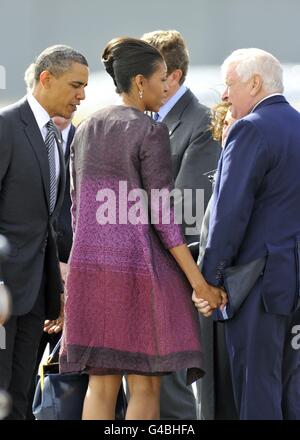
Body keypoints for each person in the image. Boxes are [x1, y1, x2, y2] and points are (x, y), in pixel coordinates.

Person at [59, 37, 226, 420]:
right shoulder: (150, 132)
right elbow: (164, 220)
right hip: (137, 276)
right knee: (145, 384)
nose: (165, 87)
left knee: (101, 385)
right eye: (161, 78)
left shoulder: (85, 128)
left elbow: (76, 210)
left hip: (90, 273)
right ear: (139, 81)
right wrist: (199, 284)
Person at [193, 48, 300, 420]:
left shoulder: (249, 128)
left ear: (255, 83)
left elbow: (228, 214)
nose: (224, 95)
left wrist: (207, 282)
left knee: (257, 389)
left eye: (229, 84)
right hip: (293, 281)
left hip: (258, 286)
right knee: (291, 390)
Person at [0, 45, 88, 419]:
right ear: (45, 79)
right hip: (4, 292)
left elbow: (47, 221)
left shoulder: (54, 136)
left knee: (20, 397)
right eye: (75, 85)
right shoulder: (6, 126)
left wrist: (57, 287)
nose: (82, 95)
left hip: (36, 294)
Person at [142, 29, 220, 420]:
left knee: (174, 396)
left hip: (175, 277)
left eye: (146, 72)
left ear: (173, 76)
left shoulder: (201, 124)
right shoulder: (142, 119)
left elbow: (189, 213)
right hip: (144, 275)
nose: (137, 82)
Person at [197, 102, 238, 420]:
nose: (230, 129)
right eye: (226, 123)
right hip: (215, 294)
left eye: (236, 121)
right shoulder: (224, 166)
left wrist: (208, 282)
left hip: (230, 293)